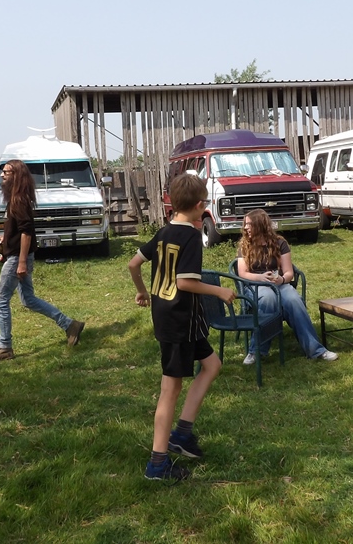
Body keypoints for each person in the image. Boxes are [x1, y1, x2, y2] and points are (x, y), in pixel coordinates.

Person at [128, 173, 236, 481]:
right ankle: (157, 463)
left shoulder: (164, 232)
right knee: (170, 390)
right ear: (200, 205)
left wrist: (142, 291)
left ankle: (182, 435)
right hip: (179, 320)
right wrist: (219, 291)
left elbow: (134, 263)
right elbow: (185, 282)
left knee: (212, 365)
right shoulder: (190, 237)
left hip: (173, 317)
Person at [0, 160, 85, 362]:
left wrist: (21, 263)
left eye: (6, 172)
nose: (2, 175)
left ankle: (5, 347)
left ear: (17, 176)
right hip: (18, 255)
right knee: (28, 299)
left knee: (1, 300)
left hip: (17, 259)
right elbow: (19, 230)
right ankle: (69, 325)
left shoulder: (19, 200)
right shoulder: (17, 198)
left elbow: (27, 233)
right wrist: (5, 238)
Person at [236, 209, 338, 365]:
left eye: (249, 224)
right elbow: (242, 273)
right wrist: (261, 278)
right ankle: (256, 352)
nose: (245, 227)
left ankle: (316, 350)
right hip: (255, 285)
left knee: (293, 300)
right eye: (245, 224)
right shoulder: (245, 245)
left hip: (278, 283)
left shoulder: (279, 243)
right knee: (268, 298)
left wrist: (282, 279)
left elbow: (289, 272)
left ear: (260, 225)